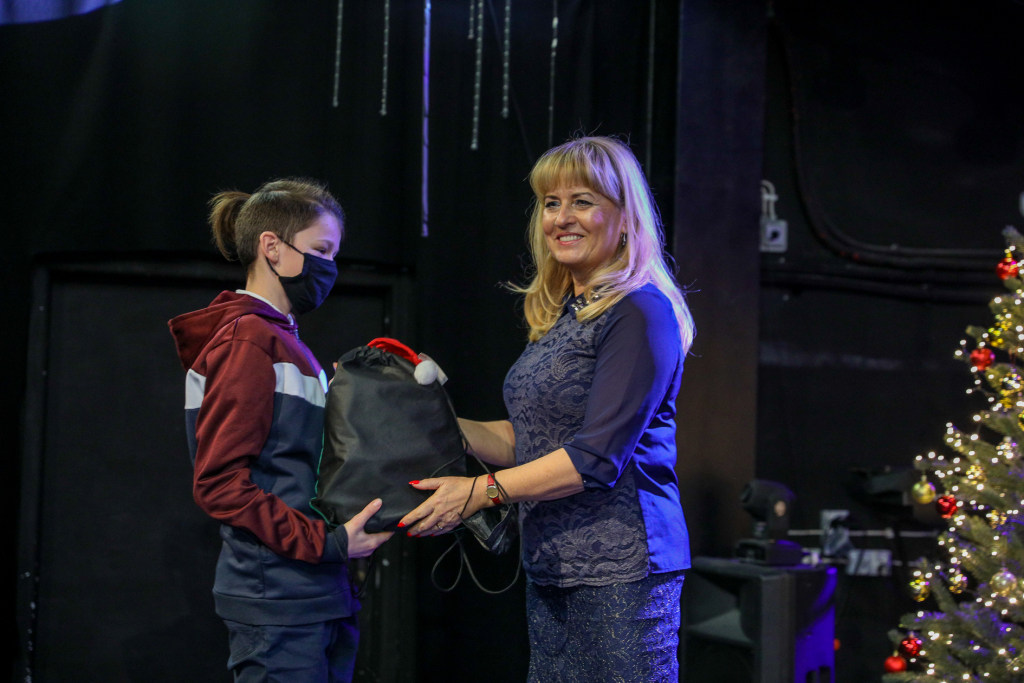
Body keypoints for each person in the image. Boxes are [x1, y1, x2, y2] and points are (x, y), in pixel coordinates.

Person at [399, 137, 695, 682]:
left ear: (625, 218)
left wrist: (477, 492)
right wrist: (429, 421)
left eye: (582, 201)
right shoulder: (566, 315)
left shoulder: (639, 311)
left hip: (621, 571)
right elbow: (529, 439)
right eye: (551, 203)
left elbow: (594, 457)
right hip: (553, 566)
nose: (561, 218)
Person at [168, 178, 393, 683]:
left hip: (316, 593)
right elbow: (219, 484)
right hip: (279, 597)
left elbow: (301, 468)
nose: (329, 267)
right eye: (321, 250)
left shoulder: (286, 343)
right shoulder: (248, 342)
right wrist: (327, 543)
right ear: (271, 246)